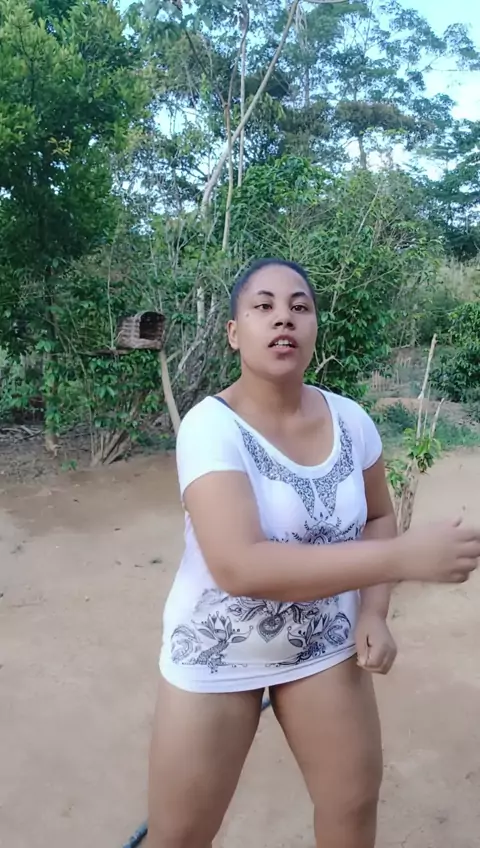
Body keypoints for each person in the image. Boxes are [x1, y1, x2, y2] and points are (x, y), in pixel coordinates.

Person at [147, 259, 480, 848]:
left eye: (299, 307)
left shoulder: (351, 420)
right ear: (234, 333)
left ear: (314, 327)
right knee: (180, 835)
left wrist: (373, 611)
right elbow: (240, 565)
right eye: (264, 306)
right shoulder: (209, 427)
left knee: (351, 809)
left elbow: (378, 517)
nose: (284, 319)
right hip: (217, 654)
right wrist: (402, 559)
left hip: (324, 645)